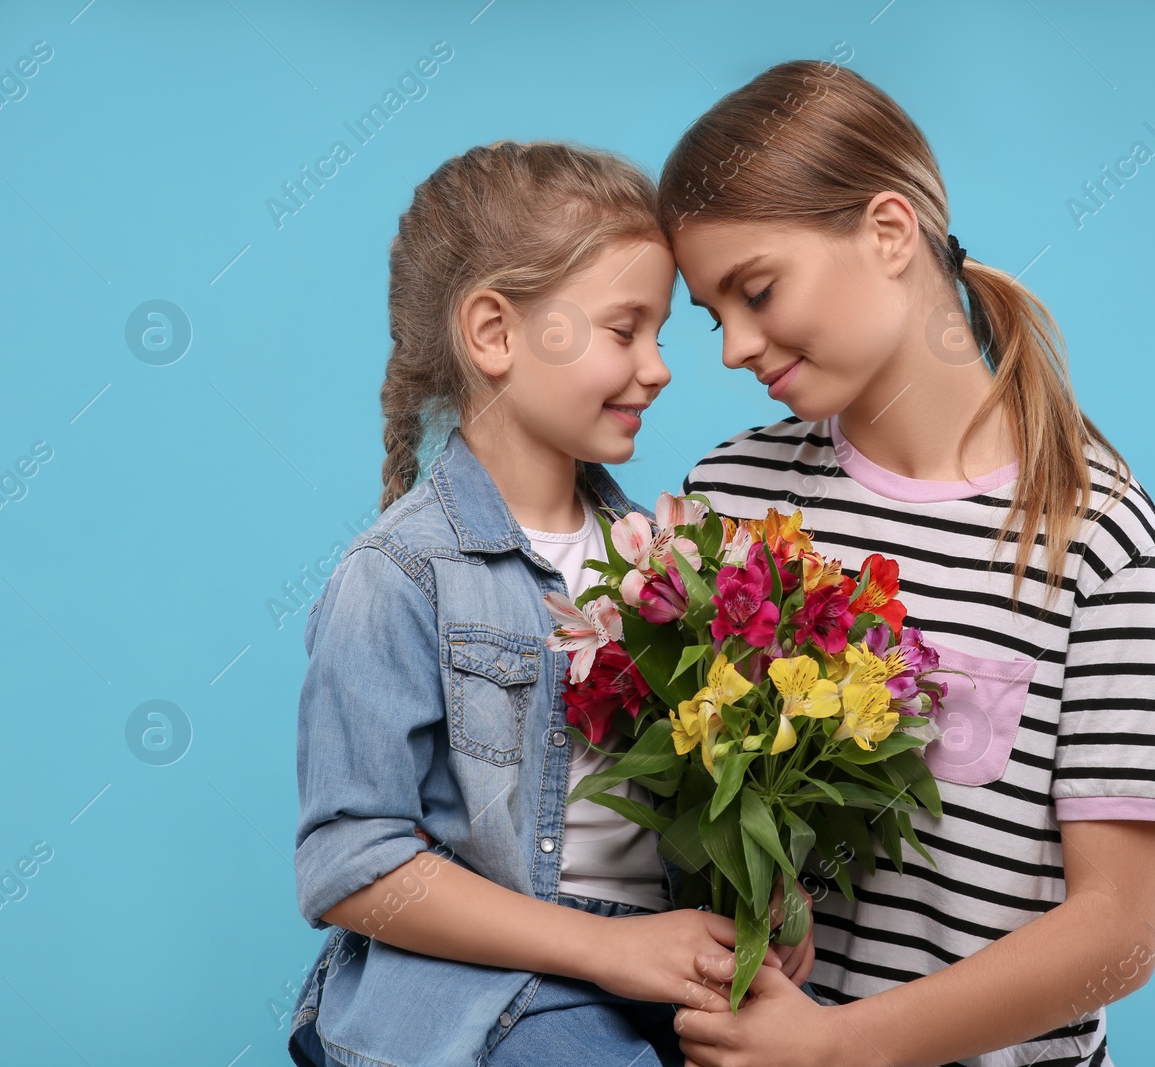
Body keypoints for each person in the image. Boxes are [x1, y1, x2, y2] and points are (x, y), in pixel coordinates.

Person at [659, 61, 1155, 1067]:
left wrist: (833, 1046)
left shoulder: (1094, 538)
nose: (731, 346)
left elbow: (1119, 930)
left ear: (889, 231)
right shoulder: (728, 500)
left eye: (757, 289)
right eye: (710, 312)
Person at [286, 139, 814, 1067]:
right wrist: (607, 948)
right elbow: (349, 863)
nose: (658, 368)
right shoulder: (401, 573)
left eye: (659, 333)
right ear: (494, 332)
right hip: (481, 990)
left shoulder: (668, 562)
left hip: (648, 961)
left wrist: (764, 898)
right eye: (625, 330)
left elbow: (688, 800)